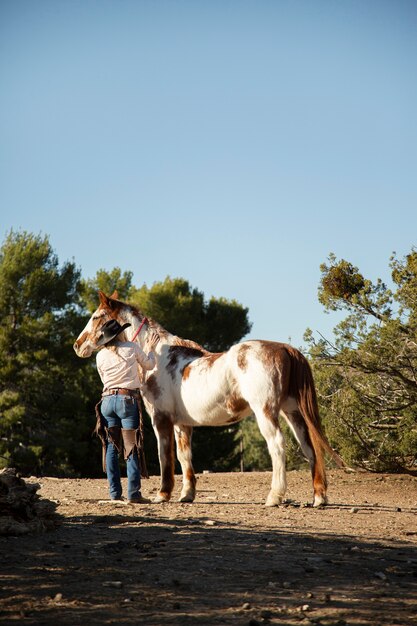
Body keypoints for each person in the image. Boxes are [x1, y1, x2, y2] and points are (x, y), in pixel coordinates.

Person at [95, 318, 159, 503]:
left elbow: (104, 379)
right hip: (126, 400)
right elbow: (149, 365)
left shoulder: (100, 356)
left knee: (112, 447)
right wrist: (150, 348)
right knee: (131, 446)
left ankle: (115, 494)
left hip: (106, 401)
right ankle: (133, 494)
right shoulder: (131, 347)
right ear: (120, 333)